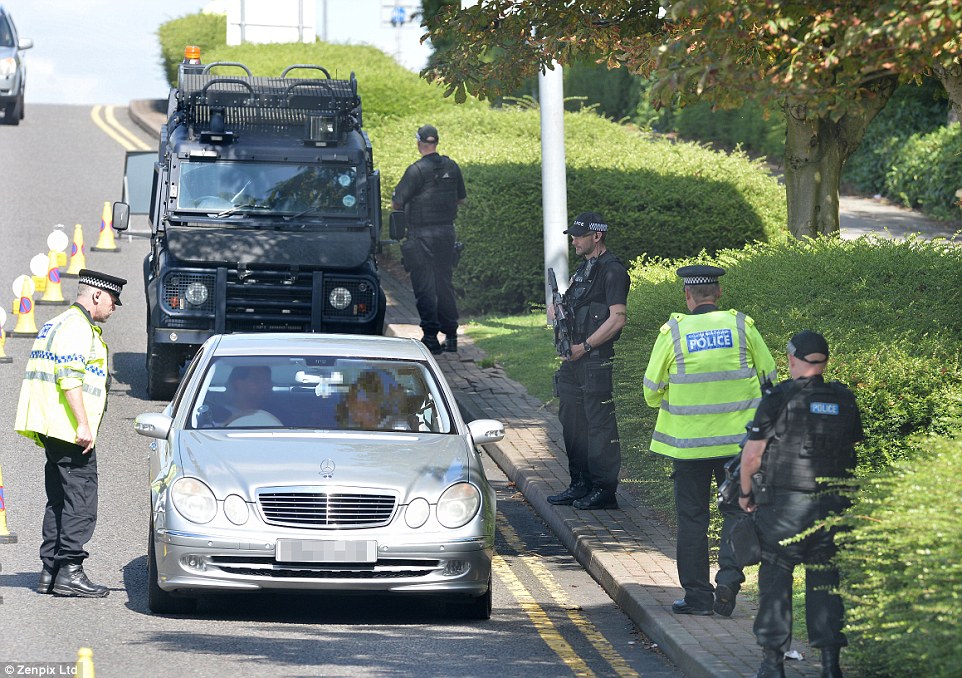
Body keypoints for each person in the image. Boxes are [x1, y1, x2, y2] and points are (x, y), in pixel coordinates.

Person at [643, 265, 777, 616]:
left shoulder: (673, 332)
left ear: (687, 296)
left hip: (688, 447)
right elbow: (770, 377)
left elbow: (650, 392)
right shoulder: (741, 326)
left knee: (692, 519)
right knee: (736, 511)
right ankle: (729, 581)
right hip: (736, 446)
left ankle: (698, 597)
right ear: (718, 295)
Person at [739, 331, 862, 678]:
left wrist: (746, 494)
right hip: (829, 508)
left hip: (782, 507)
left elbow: (752, 456)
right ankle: (830, 666)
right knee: (825, 583)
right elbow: (848, 449)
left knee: (776, 581)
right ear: (824, 361)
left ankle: (772, 664)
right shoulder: (844, 398)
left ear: (792, 359)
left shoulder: (779, 397)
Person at [14, 269, 127, 598]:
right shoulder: (77, 328)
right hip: (69, 429)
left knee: (60, 501)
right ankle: (70, 572)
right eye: (112, 300)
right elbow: (69, 378)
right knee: (81, 503)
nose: (115, 307)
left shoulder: (56, 323)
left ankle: (49, 571)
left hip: (53, 428)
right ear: (96, 296)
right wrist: (82, 424)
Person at [546, 212, 630, 511]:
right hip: (573, 361)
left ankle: (604, 491)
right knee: (573, 425)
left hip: (594, 360)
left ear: (597, 236)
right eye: (573, 234)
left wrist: (585, 346)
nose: (574, 239)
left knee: (599, 427)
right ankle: (579, 484)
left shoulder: (612, 271)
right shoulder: (584, 270)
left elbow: (617, 318)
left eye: (579, 235)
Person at [391, 124, 467, 354]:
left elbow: (397, 202)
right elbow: (461, 199)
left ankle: (431, 337)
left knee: (424, 285)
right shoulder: (452, 167)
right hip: (446, 233)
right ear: (436, 142)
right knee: (444, 283)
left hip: (421, 235)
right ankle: (452, 336)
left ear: (418, 143)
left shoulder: (416, 170)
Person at [216, 365, 283, 427]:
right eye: (256, 379)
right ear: (238, 384)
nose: (266, 384)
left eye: (267, 380)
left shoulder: (280, 413)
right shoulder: (213, 415)